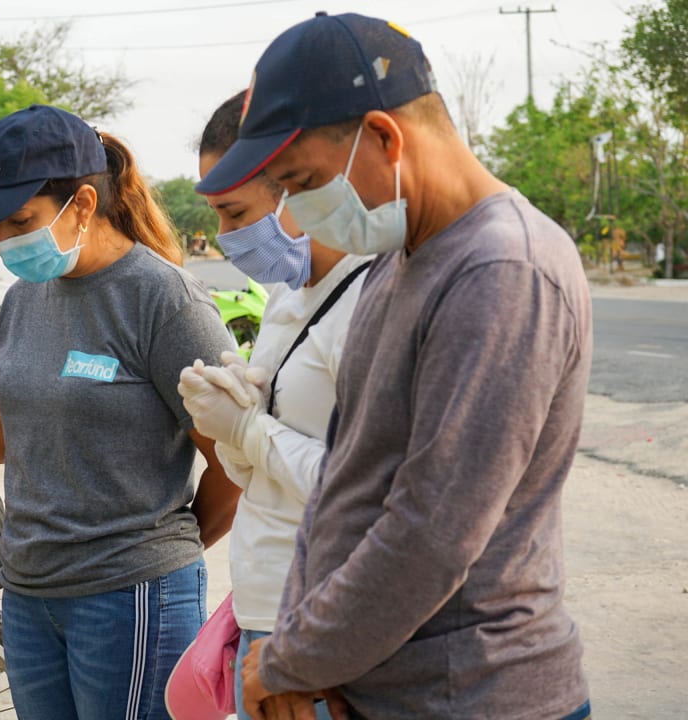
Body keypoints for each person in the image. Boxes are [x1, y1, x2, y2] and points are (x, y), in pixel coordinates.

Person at [196, 13, 593, 720]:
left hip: (471, 694)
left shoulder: (501, 268)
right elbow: (350, 484)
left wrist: (293, 661)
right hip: (378, 686)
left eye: (303, 180)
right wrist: (303, 651)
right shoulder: (399, 259)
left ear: (384, 136)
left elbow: (431, 530)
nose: (298, 210)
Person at [0, 104, 240, 720]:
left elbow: (234, 456)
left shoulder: (162, 300)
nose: (6, 241)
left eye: (21, 221)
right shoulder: (22, 300)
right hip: (31, 594)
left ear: (85, 205)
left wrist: (162, 552)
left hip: (130, 597)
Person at [173, 89, 373, 720]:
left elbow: (365, 491)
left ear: (297, 186)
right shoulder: (289, 298)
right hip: (261, 606)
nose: (228, 238)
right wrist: (229, 430)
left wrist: (250, 430)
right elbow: (255, 478)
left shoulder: (374, 304)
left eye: (236, 213)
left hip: (324, 619)